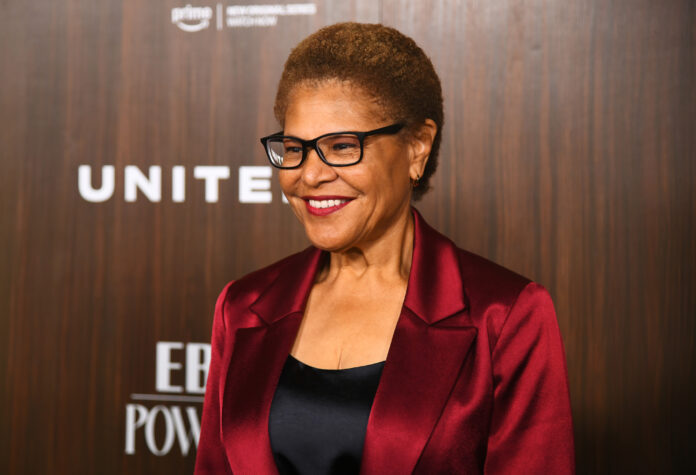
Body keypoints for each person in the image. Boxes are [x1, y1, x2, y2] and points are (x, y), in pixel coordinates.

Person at [195, 22, 574, 474]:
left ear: (417, 147)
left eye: (341, 146)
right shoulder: (242, 307)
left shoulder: (506, 316)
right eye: (295, 148)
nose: (310, 175)